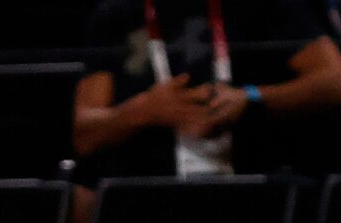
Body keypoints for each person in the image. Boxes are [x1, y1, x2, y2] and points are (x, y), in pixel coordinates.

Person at [74, 0, 341, 201]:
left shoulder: (263, 5)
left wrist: (251, 97)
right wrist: (145, 110)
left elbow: (335, 80)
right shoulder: (116, 12)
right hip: (147, 196)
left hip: (255, 190)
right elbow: (85, 133)